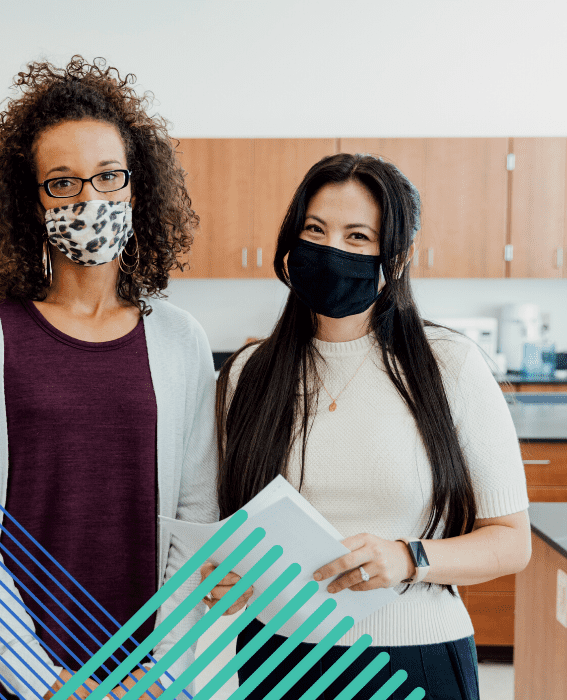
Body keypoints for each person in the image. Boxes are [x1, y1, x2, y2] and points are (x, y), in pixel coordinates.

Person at [0, 56, 218, 700]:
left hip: (146, 676)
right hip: (10, 674)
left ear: (137, 187)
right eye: (63, 182)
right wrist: (41, 677)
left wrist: (159, 667)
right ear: (32, 202)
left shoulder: (179, 340)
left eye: (110, 176)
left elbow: (197, 520)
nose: (92, 199)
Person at [203, 153, 531, 700]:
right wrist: (224, 577)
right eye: (315, 229)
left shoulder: (449, 364)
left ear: (395, 258)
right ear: (290, 239)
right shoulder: (247, 374)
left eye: (358, 236)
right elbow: (230, 532)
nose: (332, 250)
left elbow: (510, 541)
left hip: (413, 659)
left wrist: (409, 558)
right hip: (274, 656)